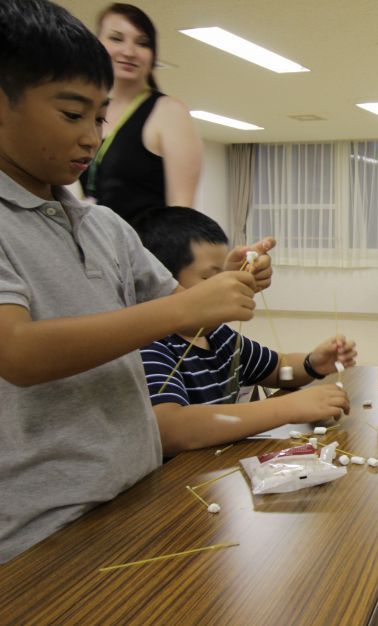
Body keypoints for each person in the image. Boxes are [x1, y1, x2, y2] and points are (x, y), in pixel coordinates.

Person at [0, 0, 273, 563]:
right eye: (72, 114)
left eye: (100, 117)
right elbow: (17, 352)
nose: (91, 137)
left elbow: (186, 306)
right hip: (42, 529)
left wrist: (229, 279)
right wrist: (183, 310)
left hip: (137, 488)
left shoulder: (104, 225)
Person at [133, 207, 354, 454]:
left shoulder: (219, 336)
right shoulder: (151, 345)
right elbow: (172, 429)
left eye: (228, 275)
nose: (228, 285)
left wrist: (312, 363)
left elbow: (281, 370)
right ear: (161, 283)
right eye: (210, 279)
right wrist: (288, 408)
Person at [79, 3, 202, 221]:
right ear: (96, 43)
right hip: (86, 249)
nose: (129, 51)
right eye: (116, 39)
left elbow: (182, 216)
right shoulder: (81, 110)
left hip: (144, 252)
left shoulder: (169, 112)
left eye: (142, 43)